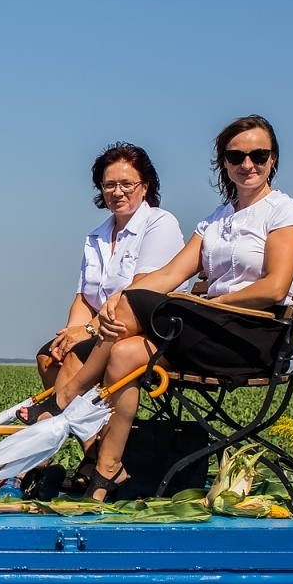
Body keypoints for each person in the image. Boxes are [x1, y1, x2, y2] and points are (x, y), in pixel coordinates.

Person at [48, 115, 293, 501]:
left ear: (273, 159)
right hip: (211, 328)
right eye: (236, 156)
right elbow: (171, 272)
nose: (247, 164)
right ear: (225, 163)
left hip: (252, 334)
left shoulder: (284, 212)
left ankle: (67, 395)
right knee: (124, 351)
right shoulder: (217, 219)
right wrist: (122, 297)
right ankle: (108, 473)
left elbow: (274, 287)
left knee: (137, 302)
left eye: (259, 154)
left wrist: (211, 304)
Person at [31, 143, 183, 403]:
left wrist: (87, 332)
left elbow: (138, 294)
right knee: (49, 356)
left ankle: (59, 417)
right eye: (109, 185)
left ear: (144, 187)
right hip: (103, 331)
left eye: (126, 184)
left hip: (147, 330)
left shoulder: (160, 223)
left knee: (79, 355)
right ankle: (91, 439)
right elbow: (84, 297)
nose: (117, 192)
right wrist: (71, 334)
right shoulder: (96, 237)